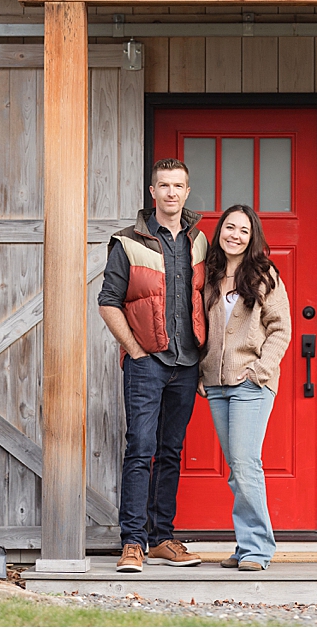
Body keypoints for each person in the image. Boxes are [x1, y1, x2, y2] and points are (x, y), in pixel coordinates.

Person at [98, 158, 207, 573]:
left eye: (178, 185)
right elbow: (108, 302)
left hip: (187, 363)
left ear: (187, 191)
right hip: (148, 363)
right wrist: (136, 351)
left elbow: (211, 296)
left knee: (171, 452)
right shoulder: (128, 242)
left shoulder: (200, 241)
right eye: (164, 186)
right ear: (153, 192)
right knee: (140, 450)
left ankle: (162, 538)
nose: (172, 193)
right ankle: (132, 543)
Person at [198, 204, 292, 572]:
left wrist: (261, 369)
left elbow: (280, 328)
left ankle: (257, 549)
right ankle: (246, 544)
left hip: (252, 383)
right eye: (229, 227)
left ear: (253, 238)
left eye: (244, 230)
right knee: (237, 467)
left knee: (246, 462)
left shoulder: (263, 275)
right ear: (220, 231)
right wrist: (203, 375)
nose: (235, 235)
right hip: (216, 385)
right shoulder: (209, 275)